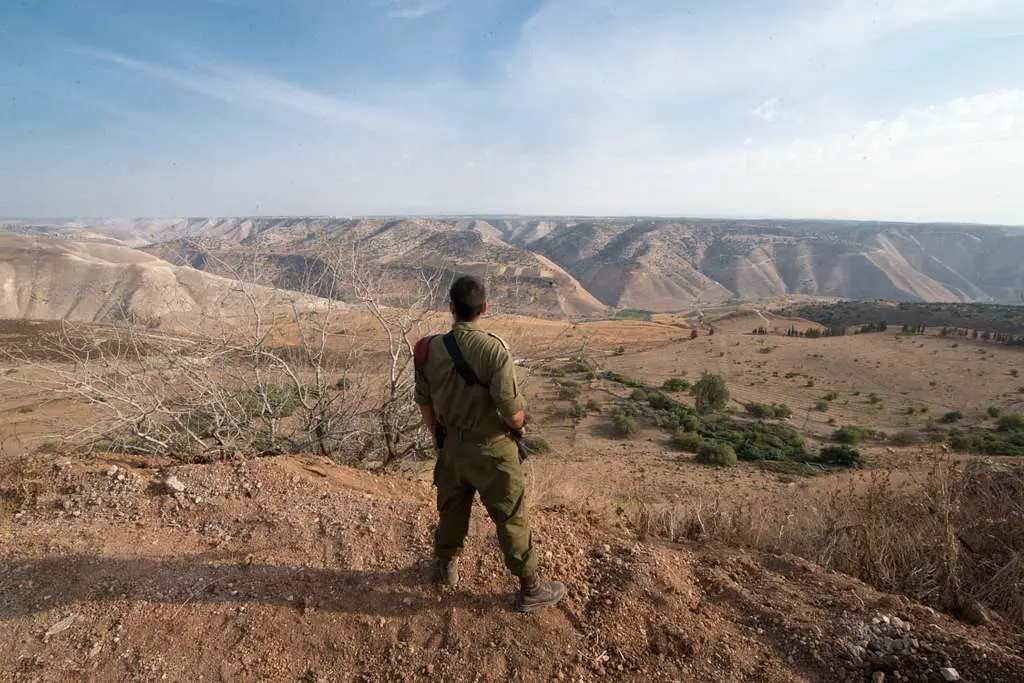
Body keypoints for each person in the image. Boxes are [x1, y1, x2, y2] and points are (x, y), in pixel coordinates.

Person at [414, 275, 566, 613]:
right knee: (510, 516)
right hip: (493, 450)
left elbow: (424, 402)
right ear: (485, 308)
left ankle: (445, 568)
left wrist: (439, 439)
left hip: (452, 447)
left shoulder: (429, 349)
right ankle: (530, 588)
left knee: (451, 509)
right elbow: (512, 415)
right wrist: (523, 424)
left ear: (451, 307)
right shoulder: (493, 349)